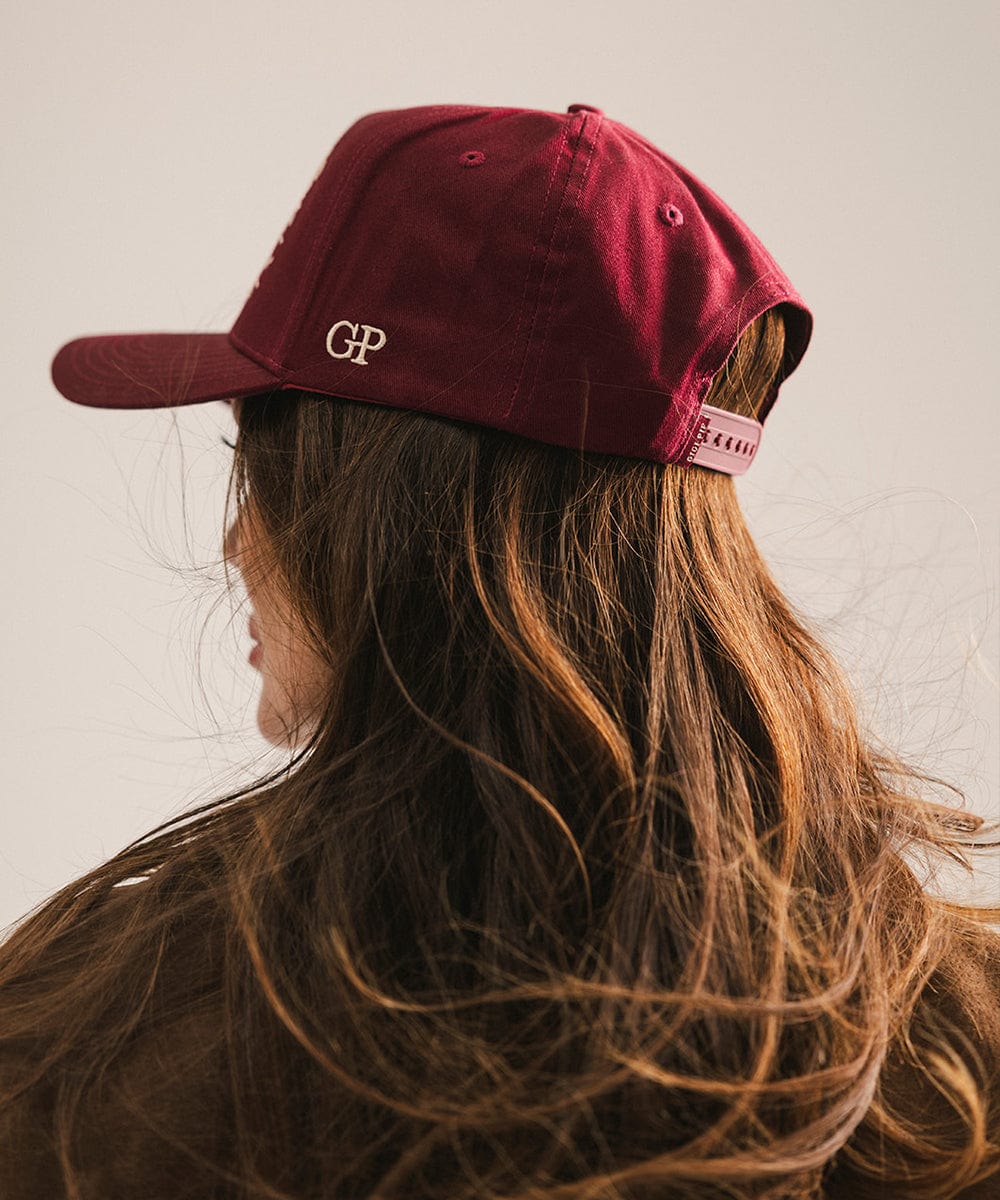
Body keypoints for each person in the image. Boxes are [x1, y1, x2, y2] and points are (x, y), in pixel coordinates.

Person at [1, 102, 998, 1199]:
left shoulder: (89, 1046)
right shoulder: (955, 1053)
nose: (237, 541)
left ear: (379, 514)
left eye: (264, 464)